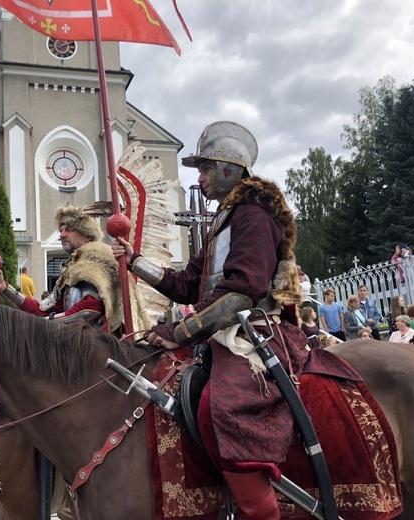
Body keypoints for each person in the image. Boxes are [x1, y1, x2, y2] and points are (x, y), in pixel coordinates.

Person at [112, 121, 308, 518]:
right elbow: (186, 284)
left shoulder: (252, 216)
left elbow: (241, 294)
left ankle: (261, 511)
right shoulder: (223, 222)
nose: (198, 178)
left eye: (204, 169)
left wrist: (178, 331)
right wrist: (134, 262)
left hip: (253, 331)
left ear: (229, 170)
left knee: (220, 405)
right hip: (222, 330)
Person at [0, 205, 148, 333]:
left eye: (68, 230)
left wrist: (40, 325)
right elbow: (42, 310)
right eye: (61, 230)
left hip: (101, 349)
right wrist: (5, 288)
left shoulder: (99, 260)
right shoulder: (71, 270)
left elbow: (89, 310)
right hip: (75, 342)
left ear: (87, 236)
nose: (62, 234)